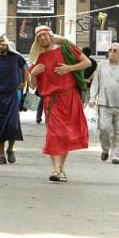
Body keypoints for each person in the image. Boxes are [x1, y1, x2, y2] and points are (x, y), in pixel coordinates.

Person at [29, 26, 91, 182]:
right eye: (39, 37)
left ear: (50, 36)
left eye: (45, 36)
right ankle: (56, 170)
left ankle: (60, 169)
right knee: (54, 134)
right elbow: (32, 86)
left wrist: (69, 68)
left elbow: (87, 62)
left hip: (70, 97)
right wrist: (33, 74)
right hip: (51, 100)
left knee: (66, 134)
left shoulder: (66, 50)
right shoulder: (37, 59)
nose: (43, 39)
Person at [88, 42, 119, 165]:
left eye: (115, 51)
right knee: (104, 128)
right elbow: (95, 84)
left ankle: (116, 155)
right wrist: (92, 98)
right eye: (110, 50)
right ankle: (105, 149)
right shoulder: (101, 66)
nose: (111, 53)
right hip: (104, 103)